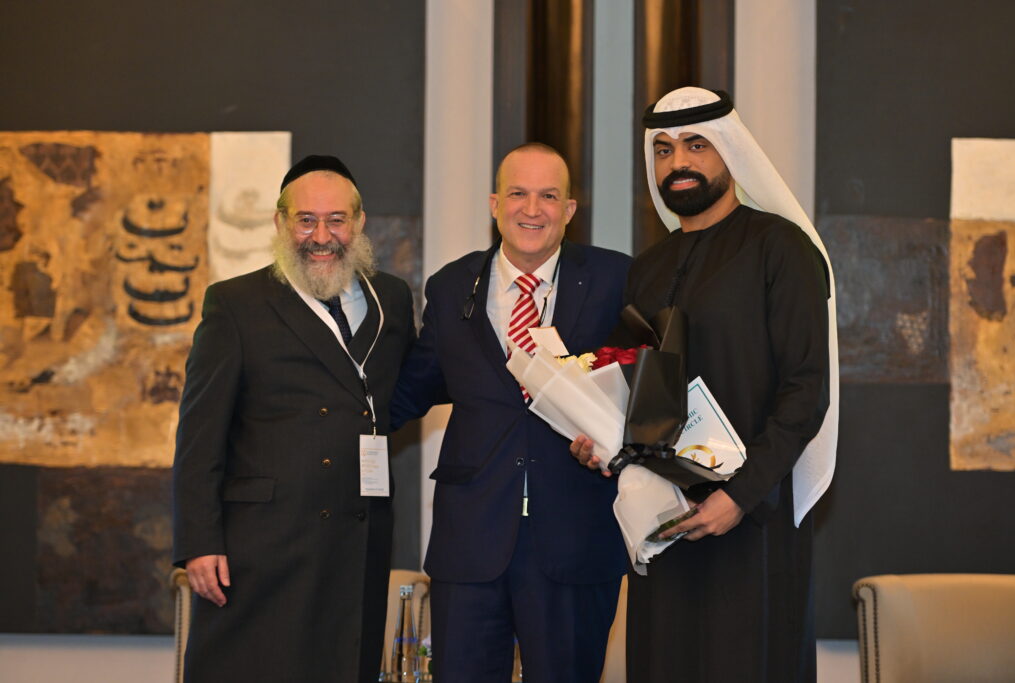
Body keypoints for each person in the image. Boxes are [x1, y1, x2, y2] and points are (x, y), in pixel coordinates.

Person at [573, 86, 839, 681]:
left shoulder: (781, 248)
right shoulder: (649, 266)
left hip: (752, 521)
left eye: (697, 145)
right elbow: (634, 380)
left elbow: (805, 390)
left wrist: (738, 496)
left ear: (730, 152)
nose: (678, 163)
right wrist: (598, 437)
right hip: (664, 518)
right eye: (663, 150)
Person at [391, 143, 630, 683]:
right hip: (471, 540)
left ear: (569, 210)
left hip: (575, 539)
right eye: (518, 193)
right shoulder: (452, 286)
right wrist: (327, 415)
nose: (532, 209)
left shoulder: (614, 279)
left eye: (549, 196)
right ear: (495, 204)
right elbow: (413, 387)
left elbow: (644, 382)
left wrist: (618, 441)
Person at [172, 155, 415, 683]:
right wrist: (199, 541)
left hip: (358, 535)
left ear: (359, 222)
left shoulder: (392, 299)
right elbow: (199, 435)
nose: (321, 237)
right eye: (306, 220)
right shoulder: (235, 304)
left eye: (336, 220)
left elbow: (403, 391)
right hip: (262, 545)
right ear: (280, 222)